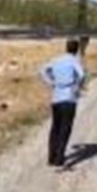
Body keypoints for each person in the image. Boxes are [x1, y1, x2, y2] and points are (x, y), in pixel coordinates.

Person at [40, 39, 86, 170]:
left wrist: (51, 82)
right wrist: (78, 87)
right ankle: (59, 158)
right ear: (76, 50)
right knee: (65, 128)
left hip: (56, 97)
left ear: (66, 48)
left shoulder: (57, 60)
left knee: (55, 127)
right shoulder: (74, 61)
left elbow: (42, 70)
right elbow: (82, 75)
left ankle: (51, 157)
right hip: (69, 97)